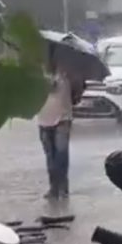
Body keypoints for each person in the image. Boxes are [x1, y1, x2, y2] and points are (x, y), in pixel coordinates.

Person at [38, 51, 83, 200]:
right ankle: (53, 188)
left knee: (61, 156)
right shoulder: (37, 74)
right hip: (43, 120)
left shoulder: (67, 73)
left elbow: (78, 93)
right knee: (50, 157)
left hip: (62, 120)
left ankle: (62, 188)